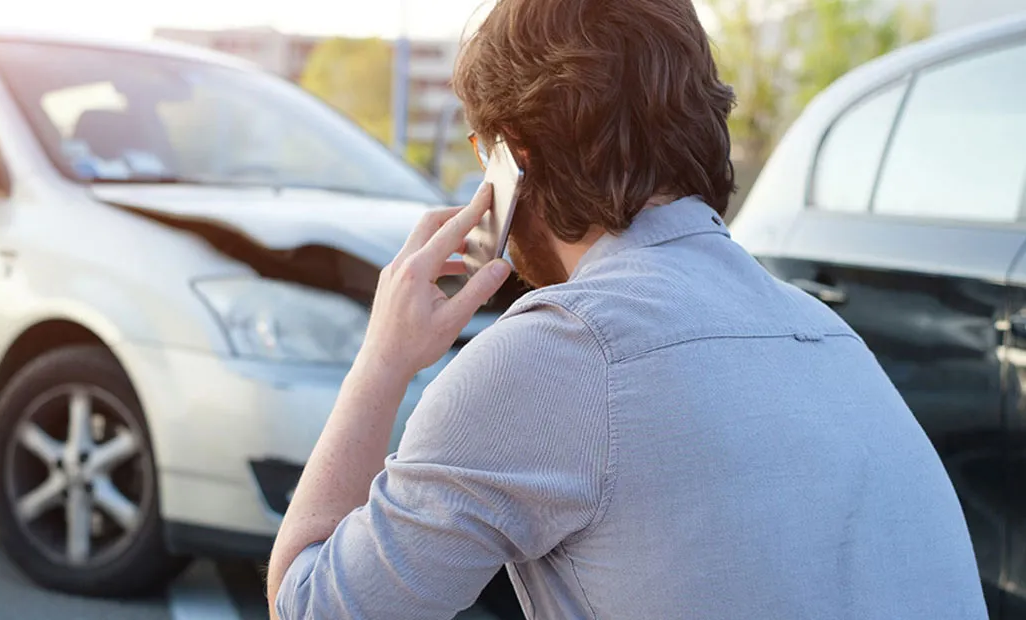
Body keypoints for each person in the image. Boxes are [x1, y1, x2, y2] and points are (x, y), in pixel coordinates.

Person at [266, 0, 988, 617]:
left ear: (515, 161)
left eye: (481, 153)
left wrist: (382, 359)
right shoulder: (827, 334)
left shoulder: (559, 353)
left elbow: (307, 605)